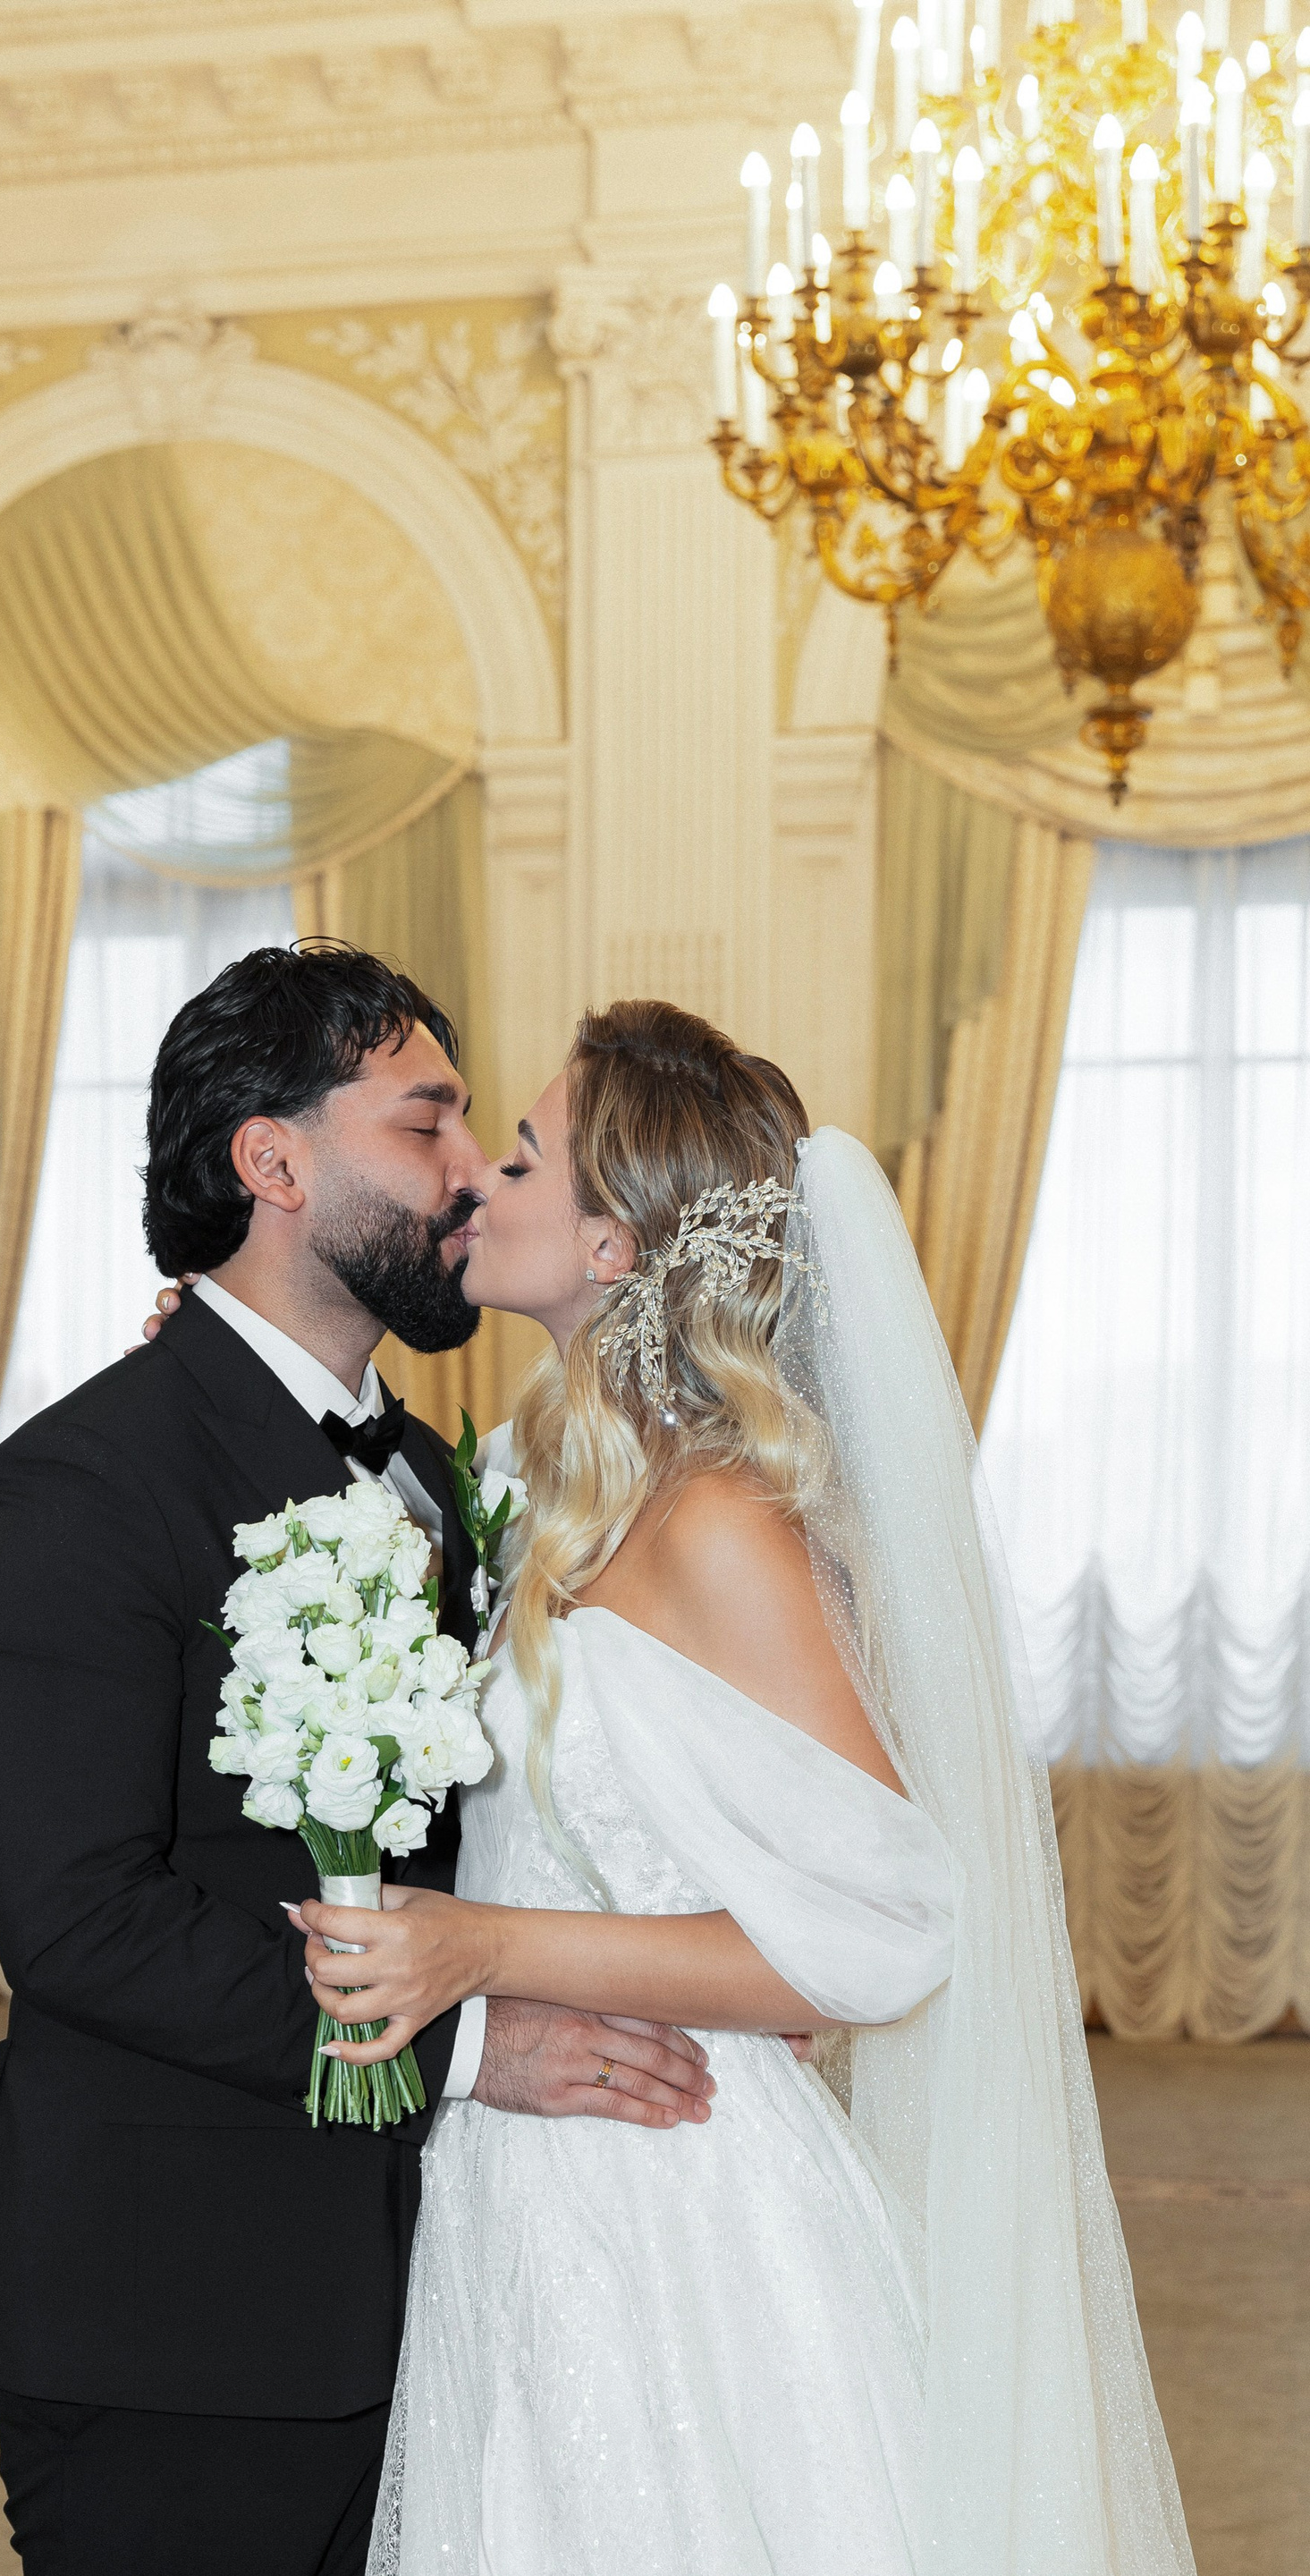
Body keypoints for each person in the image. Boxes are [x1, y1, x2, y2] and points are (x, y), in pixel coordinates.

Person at [151, 996, 1196, 2574]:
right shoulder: (521, 1484)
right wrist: (200, 1381)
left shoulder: (720, 1524)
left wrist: (487, 1948)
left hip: (679, 2188)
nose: (472, 1181)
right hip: (511, 2179)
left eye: (518, 1158)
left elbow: (881, 1939)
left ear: (615, 1245)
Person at [0, 946, 716, 2576]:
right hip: (174, 2309)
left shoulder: (437, 1476)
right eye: (424, 1124)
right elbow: (80, 1924)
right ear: (271, 1164)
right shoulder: (80, 1482)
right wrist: (475, 2046)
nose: (470, 1170)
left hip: (446, 2286)